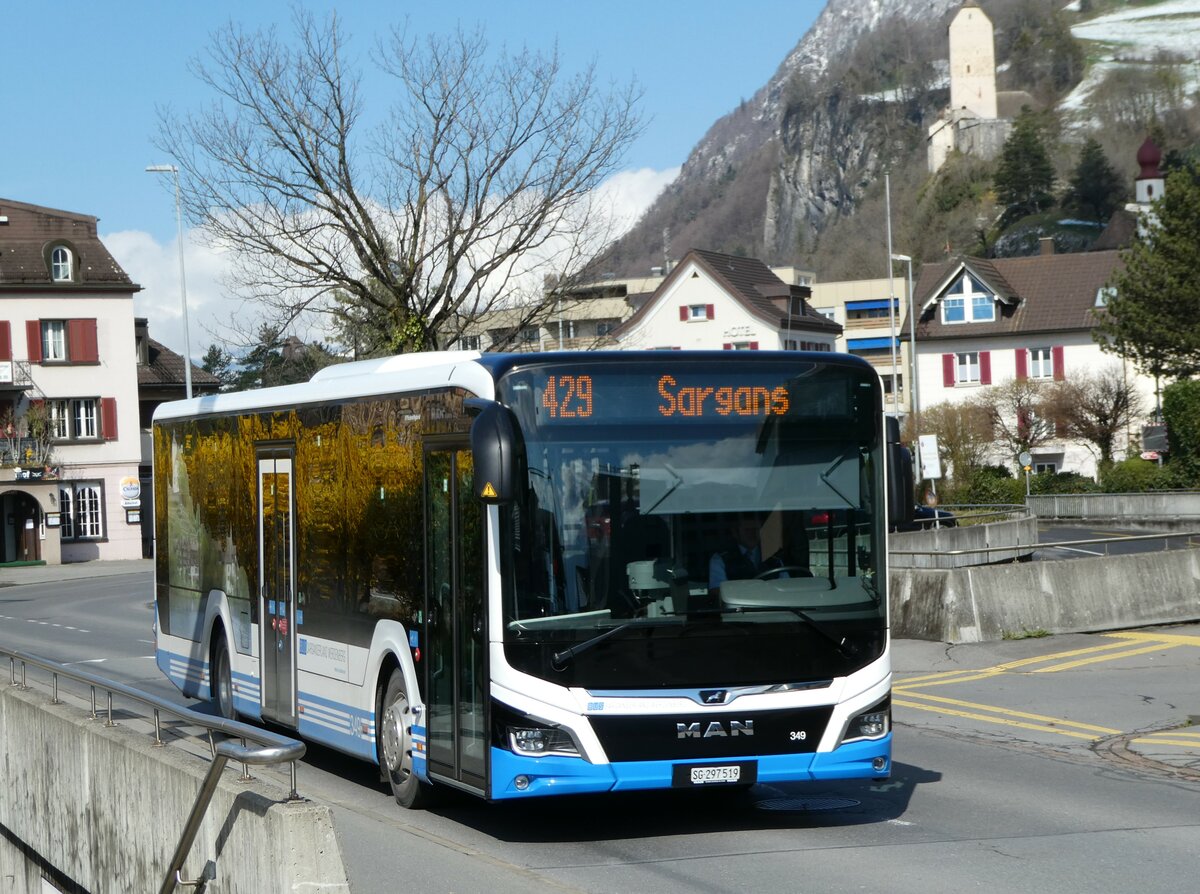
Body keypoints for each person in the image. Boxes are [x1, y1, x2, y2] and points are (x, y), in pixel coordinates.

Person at [709, 512, 788, 590]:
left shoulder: (773, 557)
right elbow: (718, 591)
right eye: (747, 530)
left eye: (756, 529)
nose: (752, 533)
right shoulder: (720, 559)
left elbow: (786, 586)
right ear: (735, 532)